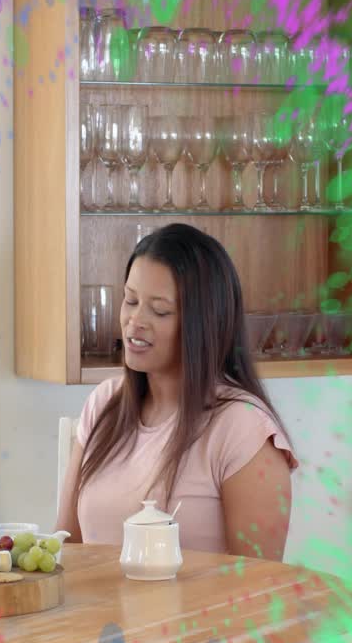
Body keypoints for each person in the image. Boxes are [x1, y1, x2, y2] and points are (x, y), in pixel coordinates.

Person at [57, 223, 297, 562]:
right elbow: (67, 549)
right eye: (130, 300)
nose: (134, 321)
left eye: (160, 310)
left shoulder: (243, 428)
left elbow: (258, 588)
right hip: (98, 615)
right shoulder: (104, 403)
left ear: (204, 322)